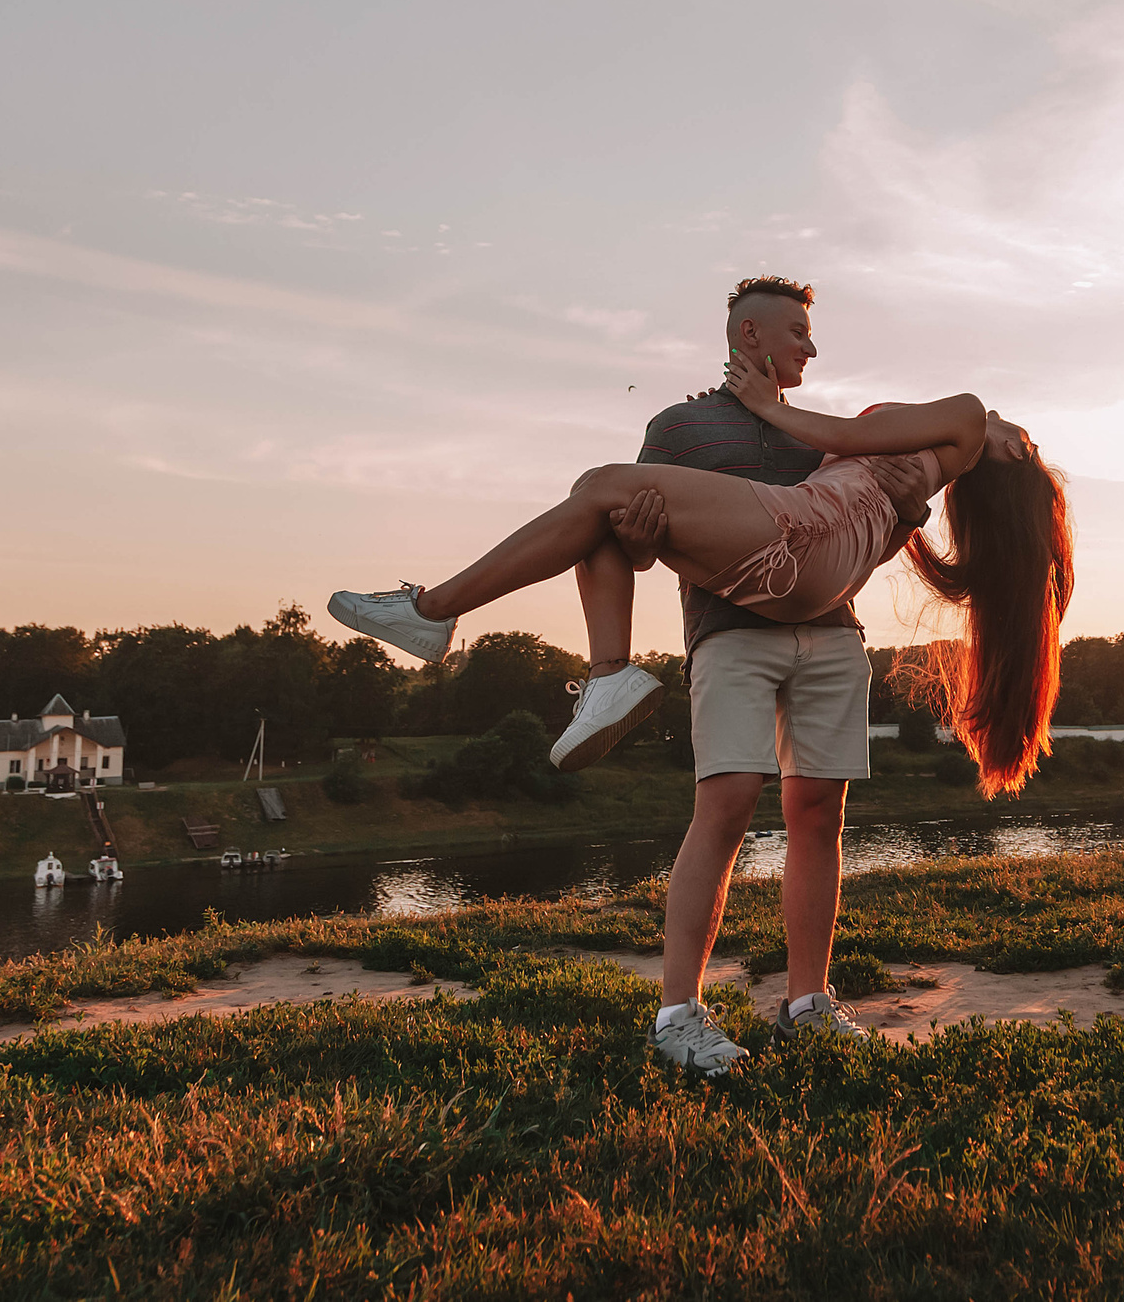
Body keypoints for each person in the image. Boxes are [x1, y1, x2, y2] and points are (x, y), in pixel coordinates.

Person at [327, 276, 1072, 1072]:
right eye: (797, 331)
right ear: (748, 336)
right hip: (745, 616)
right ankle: (680, 1009)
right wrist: (644, 531)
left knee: (819, 814)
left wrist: (908, 506)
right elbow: (631, 544)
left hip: (822, 604)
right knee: (613, 512)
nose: (812, 347)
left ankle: (806, 1001)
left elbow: (853, 515)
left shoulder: (867, 423)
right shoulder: (680, 425)